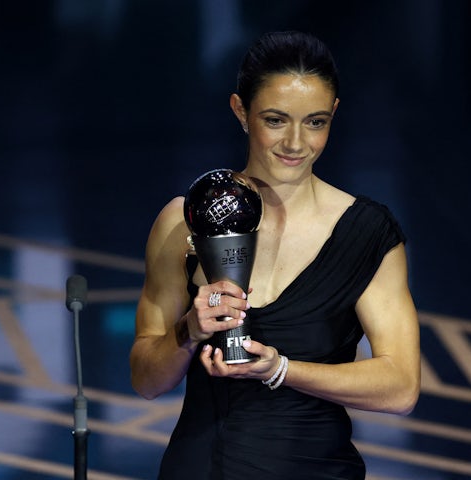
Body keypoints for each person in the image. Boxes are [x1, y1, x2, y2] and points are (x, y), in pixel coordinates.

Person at [130, 31, 420, 480]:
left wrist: (282, 369)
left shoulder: (368, 233)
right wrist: (187, 331)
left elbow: (400, 388)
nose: (296, 143)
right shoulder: (184, 220)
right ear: (240, 111)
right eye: (276, 120)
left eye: (316, 122)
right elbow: (147, 381)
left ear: (334, 115)